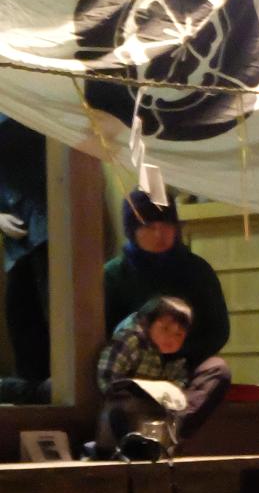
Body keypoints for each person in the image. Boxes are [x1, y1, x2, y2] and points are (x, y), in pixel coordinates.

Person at [103, 191, 232, 432]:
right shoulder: (113, 275)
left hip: (184, 370)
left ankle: (175, 427)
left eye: (166, 225)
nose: (159, 234)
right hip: (133, 371)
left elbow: (219, 329)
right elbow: (104, 334)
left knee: (218, 370)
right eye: (149, 226)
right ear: (132, 230)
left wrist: (179, 353)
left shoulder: (197, 270)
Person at [94, 293, 197, 457]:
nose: (171, 338)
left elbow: (180, 382)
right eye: (165, 329)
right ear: (147, 323)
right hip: (125, 406)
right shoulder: (131, 341)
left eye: (179, 335)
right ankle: (125, 448)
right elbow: (108, 374)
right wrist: (126, 392)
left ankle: (160, 449)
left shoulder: (178, 358)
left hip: (156, 408)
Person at [0, 114, 51, 398]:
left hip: (46, 219)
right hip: (19, 231)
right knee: (22, 314)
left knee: (46, 312)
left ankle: (43, 391)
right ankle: (33, 392)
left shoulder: (22, 107)